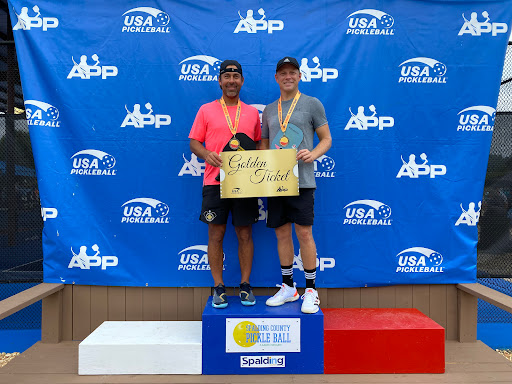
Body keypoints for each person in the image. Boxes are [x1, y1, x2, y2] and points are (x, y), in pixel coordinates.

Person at [261, 56, 332, 314]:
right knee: (281, 233)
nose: (288, 76)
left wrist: (312, 154)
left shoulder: (312, 104)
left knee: (304, 233)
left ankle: (311, 290)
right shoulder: (269, 110)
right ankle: (289, 287)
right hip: (276, 182)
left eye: (293, 72)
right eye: (283, 73)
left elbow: (326, 139)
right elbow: (264, 146)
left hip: (303, 181)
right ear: (276, 78)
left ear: (299, 76)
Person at [189, 60, 261, 308]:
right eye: (227, 76)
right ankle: (219, 287)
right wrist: (206, 154)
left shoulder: (252, 113)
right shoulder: (206, 110)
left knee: (244, 233)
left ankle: (244, 285)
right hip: (214, 181)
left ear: (242, 81)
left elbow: (259, 145)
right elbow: (194, 143)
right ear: (219, 81)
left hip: (245, 183)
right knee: (216, 234)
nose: (231, 80)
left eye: (236, 76)